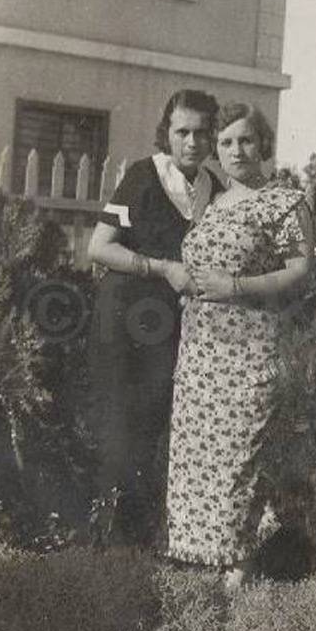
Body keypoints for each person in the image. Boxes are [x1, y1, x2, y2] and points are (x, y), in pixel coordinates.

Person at [165, 102, 314, 589]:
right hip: (200, 351)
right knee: (198, 457)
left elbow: (299, 270)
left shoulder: (284, 203)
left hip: (249, 351)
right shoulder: (214, 202)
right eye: (226, 142)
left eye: (246, 140)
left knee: (238, 457)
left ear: (263, 144)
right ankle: (201, 563)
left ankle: (237, 572)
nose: (236, 150)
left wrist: (236, 287)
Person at [87, 89, 223, 545]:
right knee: (120, 424)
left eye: (201, 133)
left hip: (172, 327)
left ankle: (141, 537)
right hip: (125, 320)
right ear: (167, 132)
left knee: (156, 424)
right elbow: (99, 247)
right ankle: (107, 540)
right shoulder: (143, 178)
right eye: (182, 131)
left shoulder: (213, 189)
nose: (191, 142)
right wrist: (162, 268)